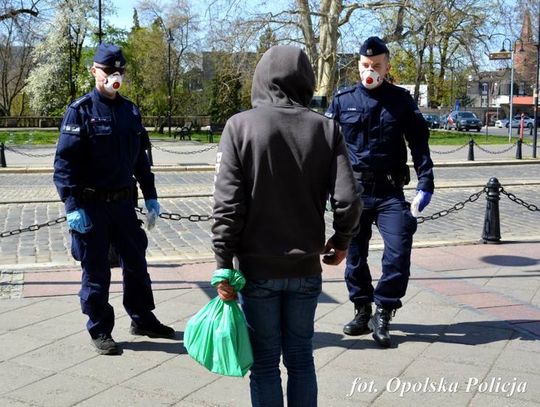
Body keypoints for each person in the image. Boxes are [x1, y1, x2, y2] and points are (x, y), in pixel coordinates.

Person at [212, 45, 361, 407]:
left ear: (261, 78)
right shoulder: (326, 129)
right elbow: (349, 199)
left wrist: (222, 267)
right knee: (300, 359)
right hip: (306, 268)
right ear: (306, 81)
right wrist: (342, 241)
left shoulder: (240, 126)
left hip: (257, 268)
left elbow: (227, 207)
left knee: (264, 365)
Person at [53, 43, 174, 355]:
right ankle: (100, 329)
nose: (114, 76)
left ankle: (142, 319)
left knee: (136, 264)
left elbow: (140, 162)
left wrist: (151, 197)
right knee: (96, 270)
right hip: (92, 206)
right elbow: (64, 165)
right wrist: (71, 205)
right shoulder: (80, 112)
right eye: (108, 71)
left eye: (119, 71)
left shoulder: (130, 111)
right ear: (94, 71)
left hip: (123, 204)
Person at [325, 36, 435, 348]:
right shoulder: (343, 100)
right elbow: (325, 149)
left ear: (386, 66)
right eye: (365, 65)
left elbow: (419, 144)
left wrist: (426, 183)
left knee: (399, 250)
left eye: (376, 65)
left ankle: (384, 308)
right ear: (358, 65)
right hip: (355, 191)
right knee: (355, 256)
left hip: (389, 191)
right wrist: (323, 189)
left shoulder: (401, 100)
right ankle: (362, 308)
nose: (369, 70)